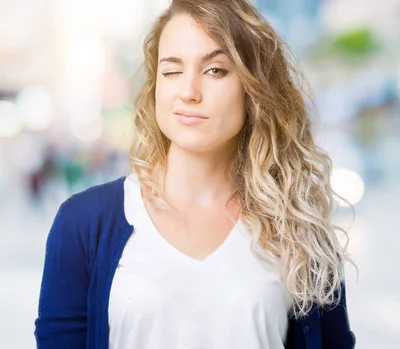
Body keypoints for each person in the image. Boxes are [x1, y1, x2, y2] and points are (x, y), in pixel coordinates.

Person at [34, 0, 356, 348]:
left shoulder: (297, 228)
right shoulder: (83, 223)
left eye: (215, 70)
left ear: (254, 89)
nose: (188, 92)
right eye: (172, 71)